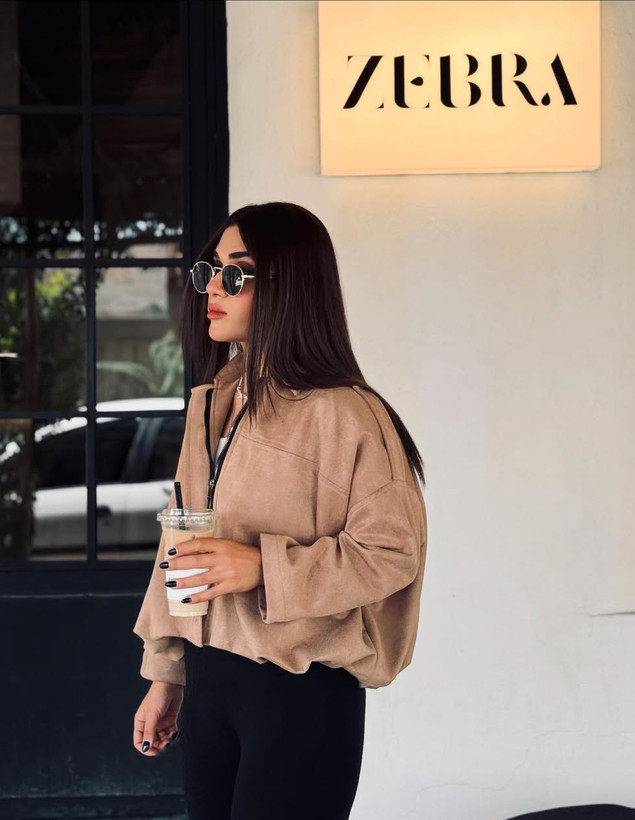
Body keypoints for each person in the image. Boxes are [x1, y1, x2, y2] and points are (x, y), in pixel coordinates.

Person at [132, 202, 427, 820]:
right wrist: (167, 674)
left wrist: (262, 567)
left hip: (299, 693)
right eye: (210, 270)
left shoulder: (345, 414)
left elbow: (391, 553)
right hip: (210, 686)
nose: (213, 288)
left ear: (289, 285)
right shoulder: (213, 402)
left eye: (235, 273)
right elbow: (178, 542)